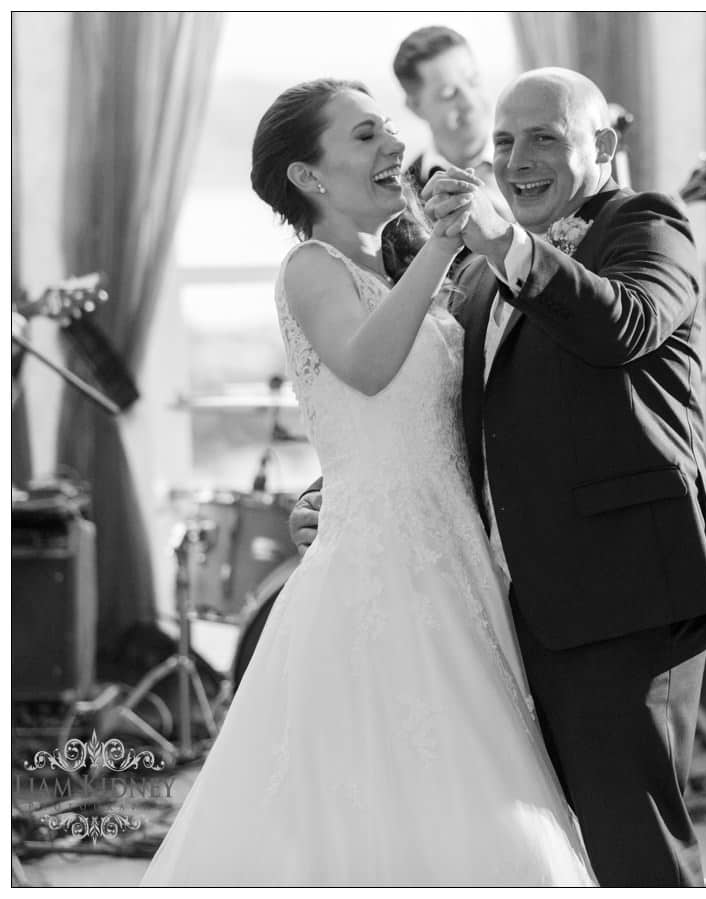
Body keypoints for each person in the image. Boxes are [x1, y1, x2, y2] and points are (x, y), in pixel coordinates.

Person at [141, 78, 595, 886]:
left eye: (388, 128)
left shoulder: (389, 268)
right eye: (363, 136)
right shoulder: (309, 267)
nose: (393, 145)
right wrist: (444, 244)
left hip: (458, 555)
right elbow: (365, 367)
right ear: (311, 177)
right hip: (379, 567)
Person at [292, 66, 706, 886]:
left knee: (634, 846)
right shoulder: (469, 278)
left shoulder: (647, 224)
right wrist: (341, 493)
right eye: (503, 142)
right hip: (505, 602)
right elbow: (449, 422)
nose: (517, 156)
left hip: (622, 594)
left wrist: (511, 246)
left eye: (544, 136)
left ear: (601, 146)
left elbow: (625, 323)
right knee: (544, 846)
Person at [382, 26, 509, 281]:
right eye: (448, 94)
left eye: (473, 81)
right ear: (415, 106)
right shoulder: (407, 202)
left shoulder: (535, 151)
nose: (470, 101)